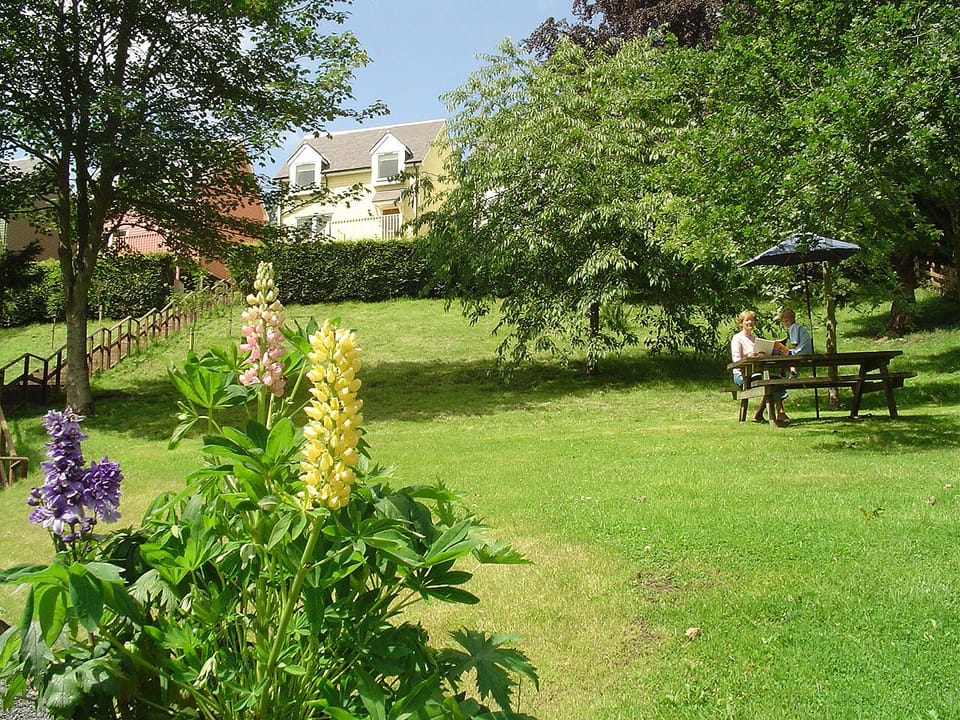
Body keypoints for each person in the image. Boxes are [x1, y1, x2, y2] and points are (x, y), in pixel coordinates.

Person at [730, 310, 788, 423]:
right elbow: (736, 360)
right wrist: (749, 356)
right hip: (742, 375)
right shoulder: (737, 338)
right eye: (747, 320)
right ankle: (780, 413)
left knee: (776, 381)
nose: (750, 322)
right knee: (770, 382)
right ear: (741, 323)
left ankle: (761, 414)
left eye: (752, 320)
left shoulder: (755, 339)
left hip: (757, 373)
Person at [779, 307, 813, 377]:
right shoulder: (798, 327)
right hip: (807, 351)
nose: (786, 323)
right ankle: (792, 371)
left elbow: (794, 344)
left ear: (792, 319)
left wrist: (787, 349)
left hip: (801, 351)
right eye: (784, 321)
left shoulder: (793, 327)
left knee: (780, 353)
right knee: (788, 353)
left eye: (787, 321)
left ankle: (783, 374)